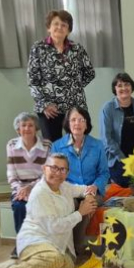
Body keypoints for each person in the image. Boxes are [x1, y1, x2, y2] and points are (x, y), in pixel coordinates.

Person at [0, 154, 98, 268]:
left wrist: (89, 197)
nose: (57, 173)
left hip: (57, 244)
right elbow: (54, 227)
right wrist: (80, 213)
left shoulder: (64, 187)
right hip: (36, 240)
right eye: (53, 168)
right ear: (44, 169)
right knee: (56, 260)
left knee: (68, 266)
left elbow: (84, 189)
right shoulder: (40, 193)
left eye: (62, 169)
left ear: (67, 173)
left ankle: (23, 264)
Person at [27, 10, 96, 142]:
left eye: (64, 25)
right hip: (49, 109)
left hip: (75, 106)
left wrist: (74, 88)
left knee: (78, 143)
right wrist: (45, 104)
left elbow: (89, 72)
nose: (59, 27)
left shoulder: (77, 49)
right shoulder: (38, 48)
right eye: (56, 24)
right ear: (49, 27)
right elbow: (33, 80)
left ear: (68, 30)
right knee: (53, 147)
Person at [52, 106, 107, 254]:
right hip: (68, 191)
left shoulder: (98, 145)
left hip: (93, 190)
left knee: (88, 204)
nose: (77, 123)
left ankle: (77, 249)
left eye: (82, 120)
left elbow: (104, 173)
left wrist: (95, 187)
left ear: (87, 124)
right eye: (73, 120)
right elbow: (55, 175)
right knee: (72, 205)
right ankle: (66, 249)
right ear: (68, 123)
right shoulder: (57, 146)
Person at [100, 72, 134, 186]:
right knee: (128, 182)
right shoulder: (108, 108)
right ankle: (110, 176)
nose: (124, 88)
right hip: (117, 158)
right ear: (115, 89)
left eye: (127, 84)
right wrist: (123, 159)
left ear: (131, 87)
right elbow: (106, 139)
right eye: (120, 85)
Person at [6, 112, 52, 237]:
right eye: (23, 125)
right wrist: (21, 190)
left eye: (30, 125)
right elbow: (11, 175)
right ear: (18, 129)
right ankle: (22, 242)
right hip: (20, 189)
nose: (27, 128)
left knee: (41, 205)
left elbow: (48, 174)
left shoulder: (47, 145)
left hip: (41, 186)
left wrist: (31, 187)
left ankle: (41, 241)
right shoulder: (11, 145)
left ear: (36, 128)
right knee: (19, 206)